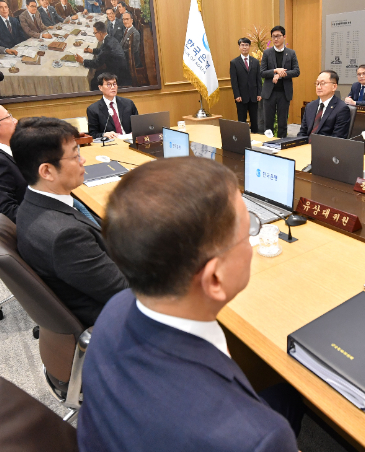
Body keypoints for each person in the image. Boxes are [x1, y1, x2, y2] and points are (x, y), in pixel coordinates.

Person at [77, 157, 303, 451]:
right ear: (215, 280)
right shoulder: (257, 438)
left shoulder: (118, 307)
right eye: (249, 231)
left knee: (288, 395)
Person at [12, 118, 129, 326]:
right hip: (119, 319)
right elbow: (125, 293)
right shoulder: (65, 237)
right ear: (46, 171)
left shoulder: (32, 203)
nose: (83, 161)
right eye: (76, 156)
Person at [260, 25, 300, 138]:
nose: (275, 39)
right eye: (273, 37)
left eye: (278, 36)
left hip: (284, 92)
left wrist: (281, 74)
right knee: (268, 121)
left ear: (284, 37)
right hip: (269, 93)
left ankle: (282, 143)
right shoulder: (267, 53)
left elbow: (296, 71)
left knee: (282, 122)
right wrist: (275, 71)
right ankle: (267, 144)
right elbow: (262, 72)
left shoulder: (291, 53)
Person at [76, 21, 131, 90]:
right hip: (119, 69)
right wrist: (92, 50)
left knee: (93, 82)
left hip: (118, 75)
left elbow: (96, 63)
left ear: (100, 33)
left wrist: (82, 61)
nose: (95, 35)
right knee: (96, 74)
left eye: (95, 33)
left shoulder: (107, 45)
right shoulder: (109, 38)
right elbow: (103, 51)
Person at [298, 70, 351, 138]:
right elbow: (302, 132)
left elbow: (337, 138)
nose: (319, 87)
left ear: (334, 87)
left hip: (325, 147)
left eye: (323, 83)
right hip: (306, 146)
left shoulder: (341, 109)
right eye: (317, 83)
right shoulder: (310, 106)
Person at [86, 73, 138, 141]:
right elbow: (92, 134)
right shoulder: (93, 109)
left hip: (130, 141)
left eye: (114, 84)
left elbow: (138, 125)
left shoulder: (128, 104)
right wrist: (103, 134)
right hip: (111, 143)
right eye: (108, 84)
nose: (113, 87)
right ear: (100, 87)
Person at [229, 37, 261, 133]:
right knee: (242, 120)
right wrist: (237, 95)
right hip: (241, 97)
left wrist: (259, 93)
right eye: (242, 45)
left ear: (249, 47)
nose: (244, 47)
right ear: (239, 47)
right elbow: (234, 81)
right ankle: (242, 138)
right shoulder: (234, 62)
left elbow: (258, 79)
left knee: (254, 119)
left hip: (254, 95)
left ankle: (256, 137)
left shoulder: (255, 62)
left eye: (246, 45)